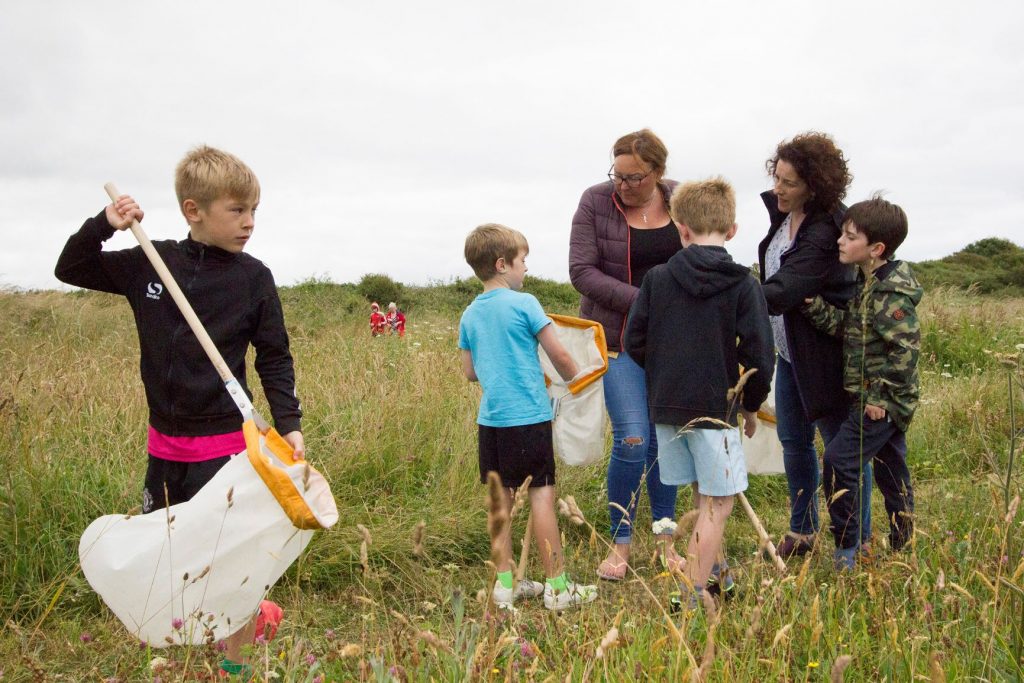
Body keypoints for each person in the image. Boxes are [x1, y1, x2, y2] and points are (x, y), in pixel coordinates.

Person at [55, 145, 302, 677]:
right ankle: (197, 636)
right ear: (194, 210)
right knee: (169, 555)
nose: (250, 223)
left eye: (254, 211)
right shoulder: (151, 261)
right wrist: (106, 223)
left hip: (227, 446)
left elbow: (275, 359)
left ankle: (232, 664)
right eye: (237, 211)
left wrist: (291, 427)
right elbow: (70, 267)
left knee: (232, 561)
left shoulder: (254, 279)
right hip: (164, 445)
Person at [624, 177, 773, 606]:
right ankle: (689, 595)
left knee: (701, 493)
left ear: (681, 229)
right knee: (718, 503)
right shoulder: (744, 284)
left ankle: (719, 576)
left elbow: (635, 341)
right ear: (732, 231)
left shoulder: (657, 279)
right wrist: (749, 405)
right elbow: (762, 355)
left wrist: (667, 378)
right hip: (715, 409)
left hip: (668, 410)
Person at [459, 223, 597, 611]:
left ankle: (505, 584)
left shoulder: (469, 313)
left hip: (491, 423)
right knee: (541, 499)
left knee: (500, 504)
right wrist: (577, 381)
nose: (526, 270)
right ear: (503, 264)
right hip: (530, 419)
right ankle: (557, 586)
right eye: (523, 262)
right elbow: (561, 356)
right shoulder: (526, 304)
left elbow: (470, 372)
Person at [569, 129, 685, 580]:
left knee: (665, 443)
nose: (623, 185)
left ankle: (666, 542)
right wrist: (647, 301)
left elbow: (707, 250)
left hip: (674, 344)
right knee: (634, 438)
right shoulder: (595, 201)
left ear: (658, 172)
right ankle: (620, 545)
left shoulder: (681, 198)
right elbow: (581, 271)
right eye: (617, 175)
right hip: (617, 341)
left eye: (634, 178)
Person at [758, 132, 872, 558]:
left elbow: (787, 287)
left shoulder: (828, 228)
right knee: (794, 441)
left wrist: (732, 301)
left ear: (814, 183)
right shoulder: (783, 216)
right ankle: (803, 530)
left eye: (789, 182)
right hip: (789, 353)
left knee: (842, 449)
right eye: (777, 178)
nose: (778, 189)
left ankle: (854, 545)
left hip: (827, 356)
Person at [803, 195, 920, 569]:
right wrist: (812, 305)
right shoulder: (866, 282)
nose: (840, 241)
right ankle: (905, 547)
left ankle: (847, 549)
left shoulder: (890, 292)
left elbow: (905, 350)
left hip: (883, 402)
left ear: (876, 249)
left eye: (850, 236)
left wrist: (881, 398)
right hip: (872, 398)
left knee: (839, 461)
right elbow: (849, 329)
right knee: (890, 472)